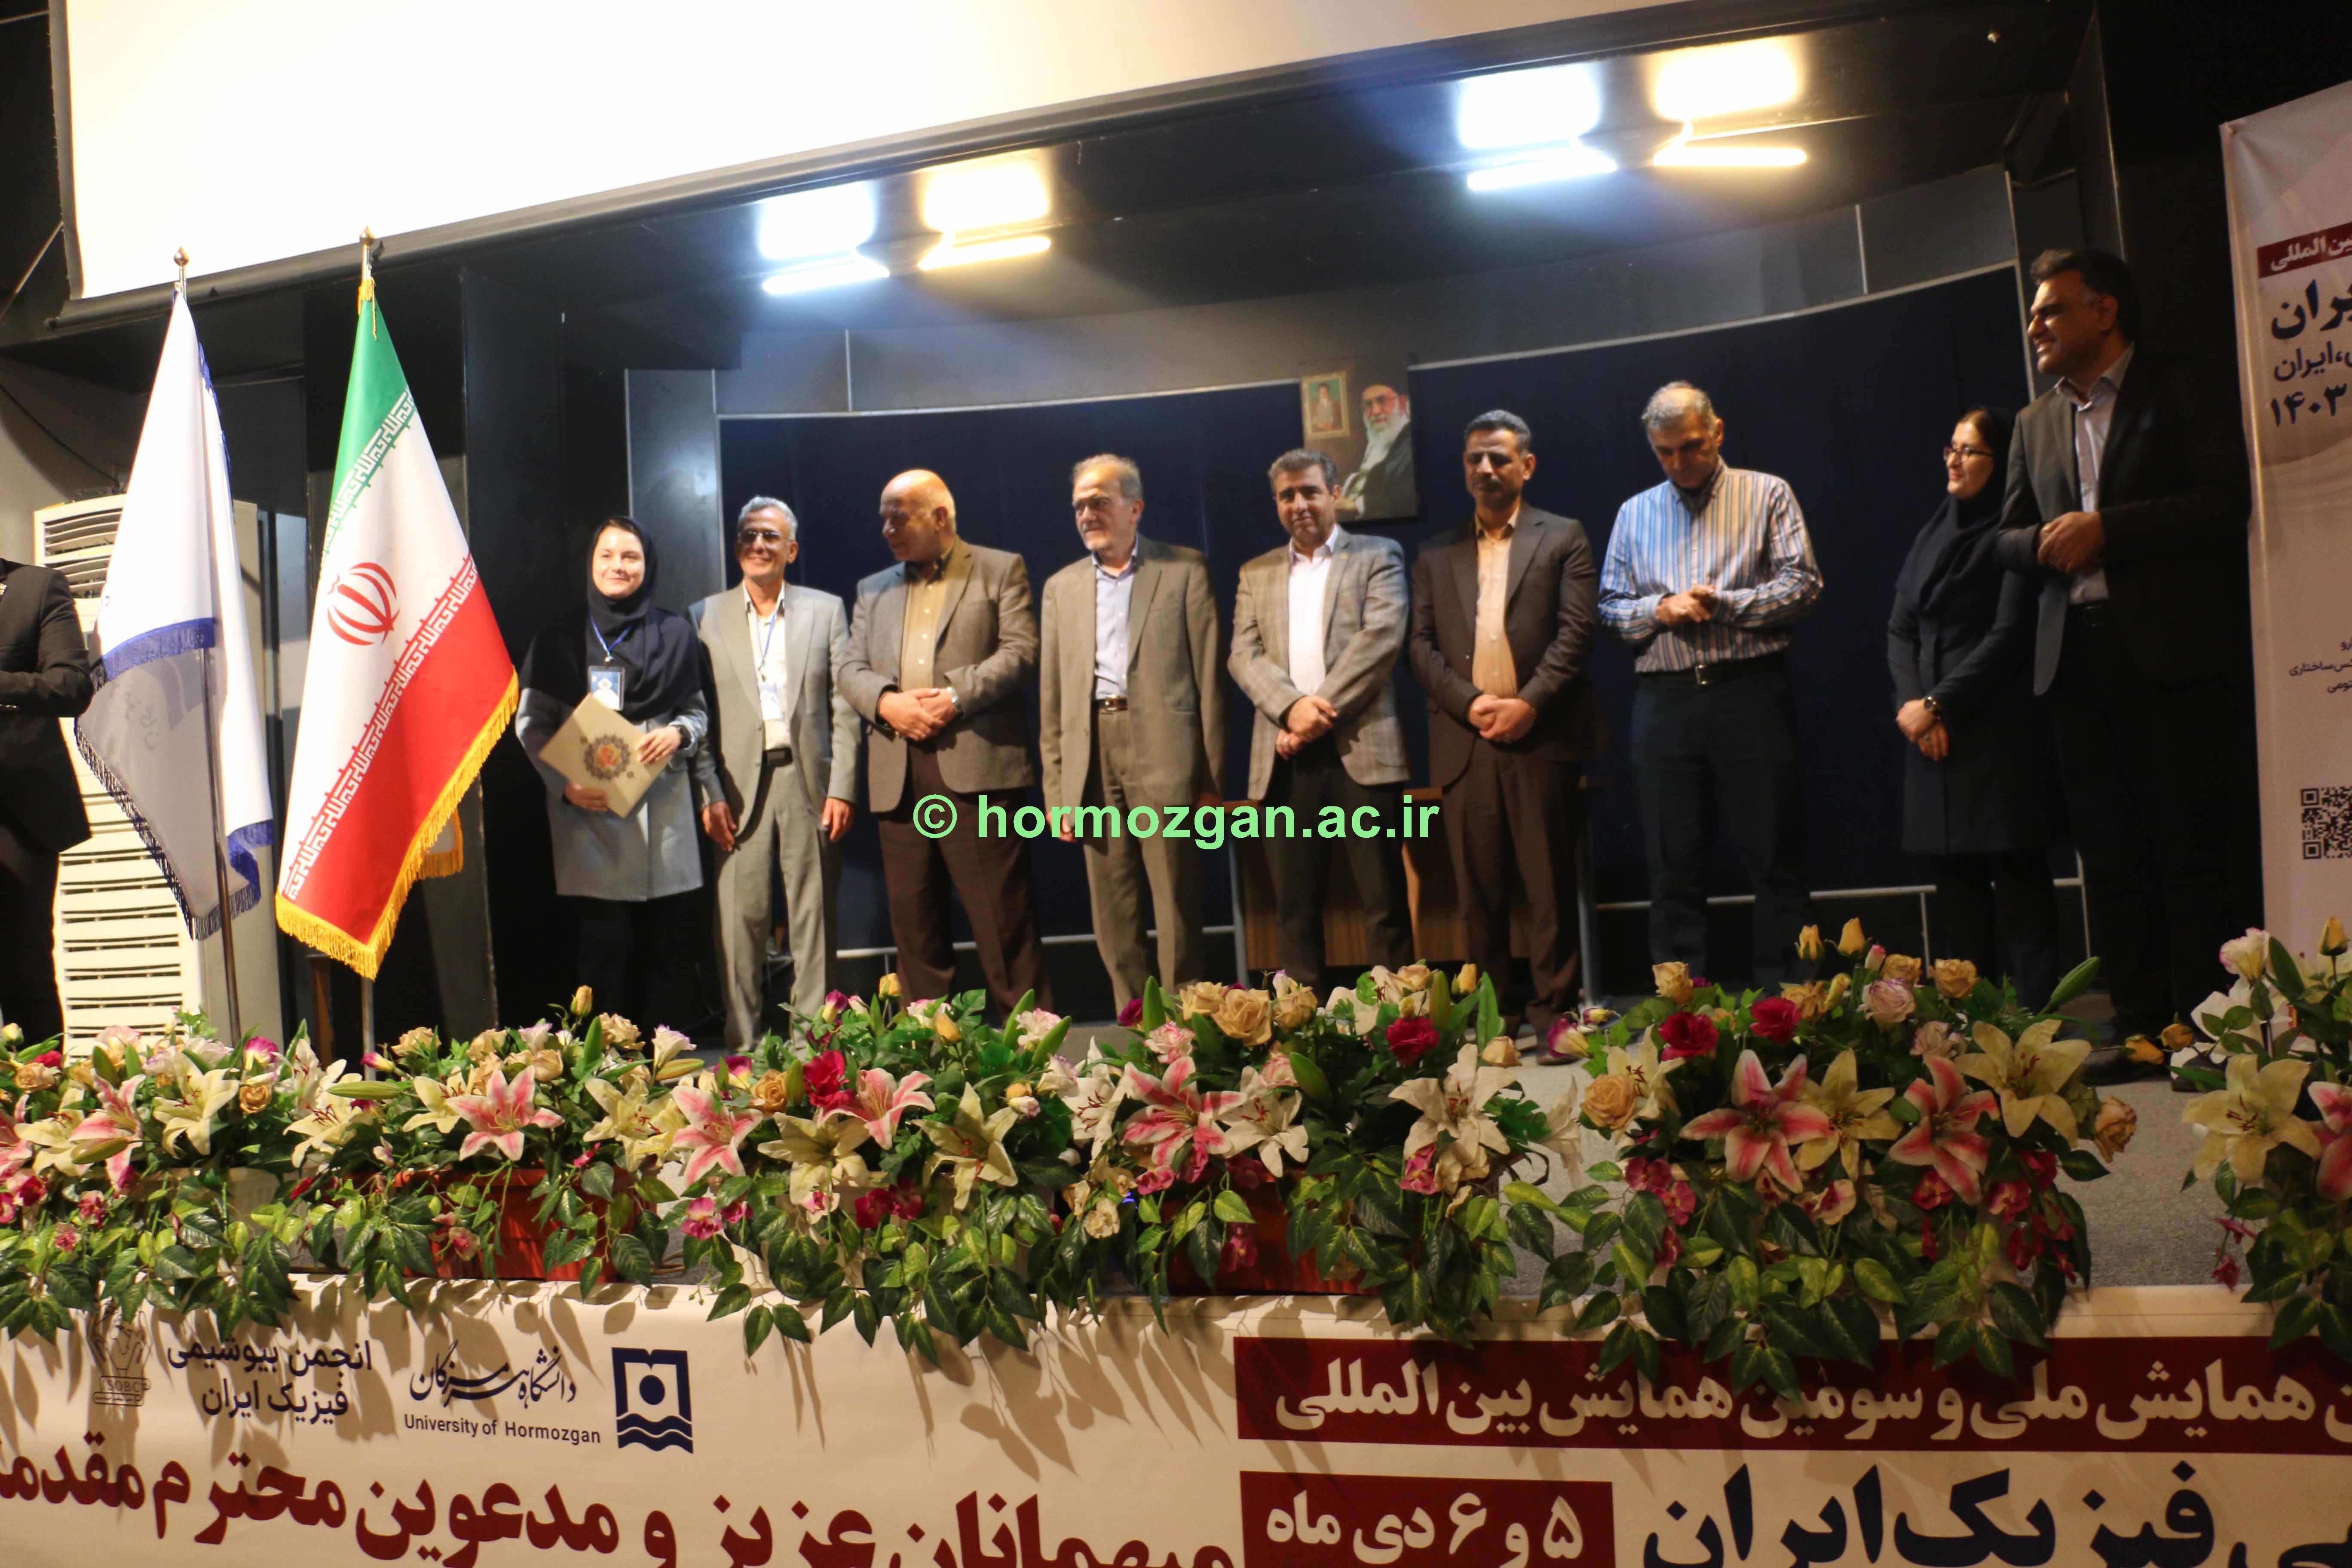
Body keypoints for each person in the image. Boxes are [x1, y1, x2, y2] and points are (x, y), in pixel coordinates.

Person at [1990, 248, 2255, 1069]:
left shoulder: (2178, 385)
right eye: (2033, 313)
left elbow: (2222, 503)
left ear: (2103, 312)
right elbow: (2002, 539)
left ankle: (2208, 1029)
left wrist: (2108, 529)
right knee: (2109, 855)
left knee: (2187, 844)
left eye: (2050, 309)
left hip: (2170, 652)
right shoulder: (2032, 422)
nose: (2034, 325)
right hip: (2074, 660)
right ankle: (2139, 1027)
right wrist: (2043, 541)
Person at [1600, 382, 1823, 989]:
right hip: (1665, 700)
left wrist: (1722, 604)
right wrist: (1659, 609)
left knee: (1775, 856)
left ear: (1718, 432)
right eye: (1665, 452)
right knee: (1671, 864)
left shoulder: (1767, 492)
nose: (1679, 463)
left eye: (1691, 447)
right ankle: (1682, 1015)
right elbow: (1610, 610)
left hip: (1748, 691)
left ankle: (1793, 1005)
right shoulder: (1634, 513)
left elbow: (1804, 586)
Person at [1408, 411, 1607, 1037]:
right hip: (1466, 740)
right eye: (1475, 459)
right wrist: (1469, 703)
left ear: (1527, 465)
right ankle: (1493, 1019)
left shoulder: (1563, 536)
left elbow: (1577, 633)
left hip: (1541, 734)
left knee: (1549, 890)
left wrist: (1528, 705)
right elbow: (1419, 645)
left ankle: (1555, 1013)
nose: (1486, 469)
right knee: (1479, 894)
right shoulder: (1435, 551)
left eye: (1498, 457)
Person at [839, 469, 1053, 1015]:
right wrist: (887, 703)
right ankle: (927, 1052)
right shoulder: (872, 588)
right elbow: (849, 668)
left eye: (898, 517)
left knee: (1004, 923)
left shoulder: (999, 569)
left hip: (977, 769)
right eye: (883, 518)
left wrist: (955, 698)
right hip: (899, 773)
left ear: (940, 517)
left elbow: (1022, 652)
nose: (887, 529)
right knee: (916, 929)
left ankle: (1034, 1049)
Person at [1888, 408, 2060, 1007]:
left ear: (2002, 463)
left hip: (1993, 727)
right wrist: (1914, 708)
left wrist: (1940, 704)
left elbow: (2009, 635)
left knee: (2017, 877)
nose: (1955, 461)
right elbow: (1900, 627)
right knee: (1955, 881)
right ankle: (1967, 1021)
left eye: (1971, 451)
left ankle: (2038, 1019)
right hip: (1932, 731)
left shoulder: (2012, 532)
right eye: (1952, 449)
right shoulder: (1933, 532)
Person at [1040, 455, 1224, 1008]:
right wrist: (1058, 793)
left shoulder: (1184, 569)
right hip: (1092, 752)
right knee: (1112, 908)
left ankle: (1187, 1025)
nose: (1087, 514)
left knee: (1175, 901)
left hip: (1168, 751)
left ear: (1134, 508)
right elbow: (1053, 698)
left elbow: (1210, 681)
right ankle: (1137, 1022)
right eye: (1079, 506)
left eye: (1099, 502)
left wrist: (1211, 782)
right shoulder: (1061, 587)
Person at [516, 518, 710, 1031]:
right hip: (590, 821)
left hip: (662, 818)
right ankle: (601, 1071)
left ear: (648, 566)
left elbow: (698, 712)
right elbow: (531, 725)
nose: (617, 566)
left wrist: (680, 734)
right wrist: (564, 786)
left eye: (630, 557)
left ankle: (665, 1068)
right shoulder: (559, 635)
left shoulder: (675, 632)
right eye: (607, 555)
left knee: (666, 959)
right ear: (591, 562)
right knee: (602, 957)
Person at [1232, 449, 1414, 989]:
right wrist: (1292, 709)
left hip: (1364, 753)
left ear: (1335, 493)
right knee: (1294, 907)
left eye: (1310, 491)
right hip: (1284, 761)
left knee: (1383, 902)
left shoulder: (1378, 555)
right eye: (1287, 495)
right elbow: (1243, 656)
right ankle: (1301, 1021)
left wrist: (1313, 715)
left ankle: (1397, 1023)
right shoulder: (1255, 572)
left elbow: (1380, 641)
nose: (1300, 504)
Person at [691, 497, 860, 1047]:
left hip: (808, 783)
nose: (758, 545)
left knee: (814, 922)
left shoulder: (825, 610)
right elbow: (697, 713)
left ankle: (814, 1052)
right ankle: (743, 1048)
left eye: (770, 536)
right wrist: (708, 791)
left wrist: (843, 787)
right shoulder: (704, 615)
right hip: (735, 789)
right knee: (739, 925)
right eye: (748, 535)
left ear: (792, 549)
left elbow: (844, 706)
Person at [0, 556, 94, 1044]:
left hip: (15, 812)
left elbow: (72, 685)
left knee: (23, 967)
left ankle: (41, 1090)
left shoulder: (34, 587)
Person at [1339, 383, 1417, 521]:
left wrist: (1356, 505)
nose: (1375, 411)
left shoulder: (1411, 441)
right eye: (1368, 404)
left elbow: (1408, 496)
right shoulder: (1373, 439)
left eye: (1382, 401)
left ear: (1403, 402)